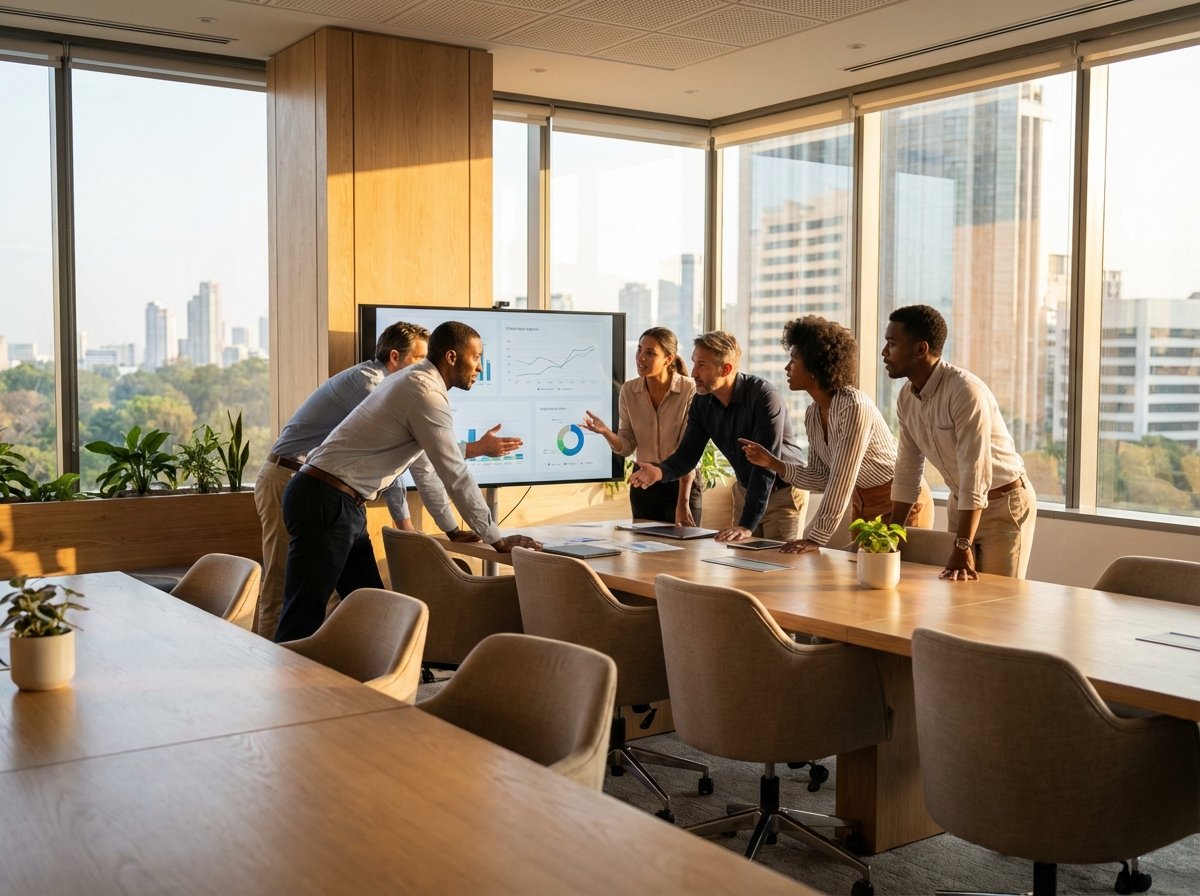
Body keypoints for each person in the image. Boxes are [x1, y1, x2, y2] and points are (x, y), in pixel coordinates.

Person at [273, 321, 542, 643]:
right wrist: (495, 538)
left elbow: (426, 466)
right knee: (303, 616)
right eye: (477, 357)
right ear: (453, 357)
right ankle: (289, 690)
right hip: (327, 499)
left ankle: (368, 686)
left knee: (370, 607)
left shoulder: (412, 382)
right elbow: (454, 472)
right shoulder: (424, 392)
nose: (480, 367)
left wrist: (452, 528)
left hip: (338, 500)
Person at [738, 315, 933, 553]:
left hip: (900, 499)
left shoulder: (853, 406)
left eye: (794, 359)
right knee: (860, 578)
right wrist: (773, 463)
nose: (787, 368)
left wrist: (815, 538)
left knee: (900, 579)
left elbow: (841, 478)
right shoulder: (813, 414)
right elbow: (821, 477)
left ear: (813, 366)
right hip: (861, 500)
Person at [882, 304, 1036, 580]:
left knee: (1000, 602)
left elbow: (975, 474)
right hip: (961, 503)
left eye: (892, 344)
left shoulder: (965, 392)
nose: (884, 353)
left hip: (1003, 505)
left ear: (921, 349)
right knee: (959, 595)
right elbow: (907, 470)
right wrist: (891, 535)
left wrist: (962, 543)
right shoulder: (906, 397)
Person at [628, 330, 806, 542]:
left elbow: (764, 467)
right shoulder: (702, 402)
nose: (693, 373)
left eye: (702, 365)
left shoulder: (764, 397)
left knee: (780, 567)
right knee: (742, 567)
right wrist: (658, 472)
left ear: (726, 369)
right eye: (694, 363)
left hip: (783, 492)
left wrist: (747, 525)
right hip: (745, 490)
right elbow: (687, 455)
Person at [582, 327, 702, 526]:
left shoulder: (690, 390)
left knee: (683, 553)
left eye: (650, 353)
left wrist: (683, 504)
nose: (641, 357)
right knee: (644, 552)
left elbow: (687, 453)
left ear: (668, 359)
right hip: (644, 481)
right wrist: (605, 432)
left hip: (681, 484)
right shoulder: (629, 390)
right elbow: (627, 445)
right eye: (639, 349)